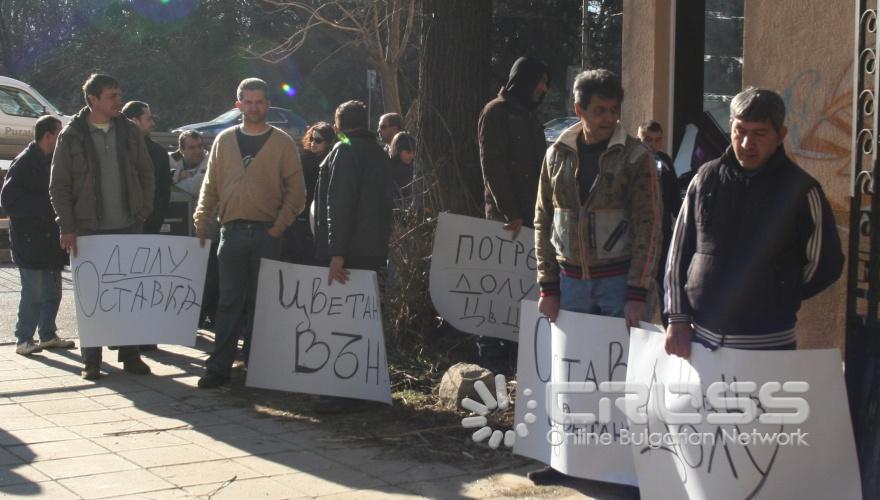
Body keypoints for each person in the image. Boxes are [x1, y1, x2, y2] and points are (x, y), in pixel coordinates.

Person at [531, 69, 663, 485]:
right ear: (579, 110)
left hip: (619, 283)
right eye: (600, 110)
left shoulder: (637, 157)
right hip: (570, 284)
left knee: (623, 380)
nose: (609, 118)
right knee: (572, 378)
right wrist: (547, 284)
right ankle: (566, 461)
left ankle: (625, 473)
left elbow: (650, 225)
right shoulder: (556, 154)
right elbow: (543, 220)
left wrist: (637, 290)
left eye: (614, 110)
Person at [664, 87, 844, 358]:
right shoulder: (705, 179)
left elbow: (825, 264)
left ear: (780, 134)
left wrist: (780, 291)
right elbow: (678, 253)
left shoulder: (802, 191)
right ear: (730, 127)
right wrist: (677, 318)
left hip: (769, 345)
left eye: (760, 133)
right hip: (702, 342)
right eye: (740, 131)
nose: (748, 144)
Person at [193, 78, 305, 389]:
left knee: (261, 303)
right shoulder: (224, 140)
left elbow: (296, 191)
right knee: (228, 302)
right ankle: (219, 369)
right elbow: (210, 184)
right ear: (238, 104)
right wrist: (201, 218)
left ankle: (257, 368)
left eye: (259, 102)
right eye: (248, 102)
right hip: (231, 232)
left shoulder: (282, 142)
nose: (254, 107)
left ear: (267, 104)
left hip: (267, 233)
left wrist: (278, 226)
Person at [49, 73, 155, 380]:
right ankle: (91, 361)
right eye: (111, 96)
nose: (118, 101)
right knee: (90, 298)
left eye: (119, 95)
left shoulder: (130, 131)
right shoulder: (71, 135)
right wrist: (67, 227)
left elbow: (147, 173)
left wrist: (143, 210)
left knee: (130, 295)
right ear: (93, 99)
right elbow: (59, 186)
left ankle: (131, 356)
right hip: (88, 230)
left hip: (128, 226)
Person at [312, 100, 392, 412]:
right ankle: (367, 389)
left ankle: (344, 392)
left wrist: (336, 252)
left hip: (348, 254)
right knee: (367, 320)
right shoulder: (378, 152)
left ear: (337, 126)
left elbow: (339, 204)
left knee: (343, 322)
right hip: (373, 250)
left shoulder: (344, 151)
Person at [476, 55, 551, 375]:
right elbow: (492, 165)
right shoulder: (495, 112)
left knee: (522, 288)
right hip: (506, 220)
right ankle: (490, 355)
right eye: (541, 82)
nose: (544, 89)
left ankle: (516, 354)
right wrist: (511, 211)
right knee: (497, 291)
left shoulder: (531, 117)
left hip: (533, 216)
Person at [0, 115, 74, 355]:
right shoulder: (24, 162)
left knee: (53, 290)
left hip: (49, 238)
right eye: (59, 134)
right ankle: (23, 338)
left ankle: (48, 335)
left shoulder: (52, 160)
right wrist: (46, 207)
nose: (61, 139)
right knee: (33, 291)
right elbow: (8, 201)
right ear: (48, 136)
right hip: (29, 239)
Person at [169, 130, 218, 328]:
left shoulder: (210, 160)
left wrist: (176, 179)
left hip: (208, 230)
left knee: (208, 277)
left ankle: (207, 315)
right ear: (181, 150)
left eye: (200, 146)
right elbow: (161, 180)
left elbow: (196, 186)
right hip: (181, 232)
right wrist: (176, 175)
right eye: (192, 147)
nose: (198, 151)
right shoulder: (172, 161)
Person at [638, 119, 681, 325]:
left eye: (657, 140)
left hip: (663, 233)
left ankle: (667, 323)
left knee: (664, 280)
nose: (653, 145)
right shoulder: (632, 161)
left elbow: (674, 197)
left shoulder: (665, 161)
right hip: (639, 235)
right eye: (648, 139)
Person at [281, 122, 336, 264]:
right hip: (299, 215)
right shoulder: (303, 159)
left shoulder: (331, 163)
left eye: (318, 140)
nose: (313, 143)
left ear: (328, 142)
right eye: (311, 138)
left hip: (318, 216)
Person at [121, 101, 172, 236]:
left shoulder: (158, 153)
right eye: (148, 119)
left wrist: (155, 218)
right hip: (119, 225)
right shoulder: (115, 149)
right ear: (134, 121)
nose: (153, 124)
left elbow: (164, 190)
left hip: (150, 226)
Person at [388, 131, 416, 209]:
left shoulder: (414, 168)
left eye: (413, 152)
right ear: (398, 149)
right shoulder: (389, 169)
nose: (411, 155)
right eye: (408, 151)